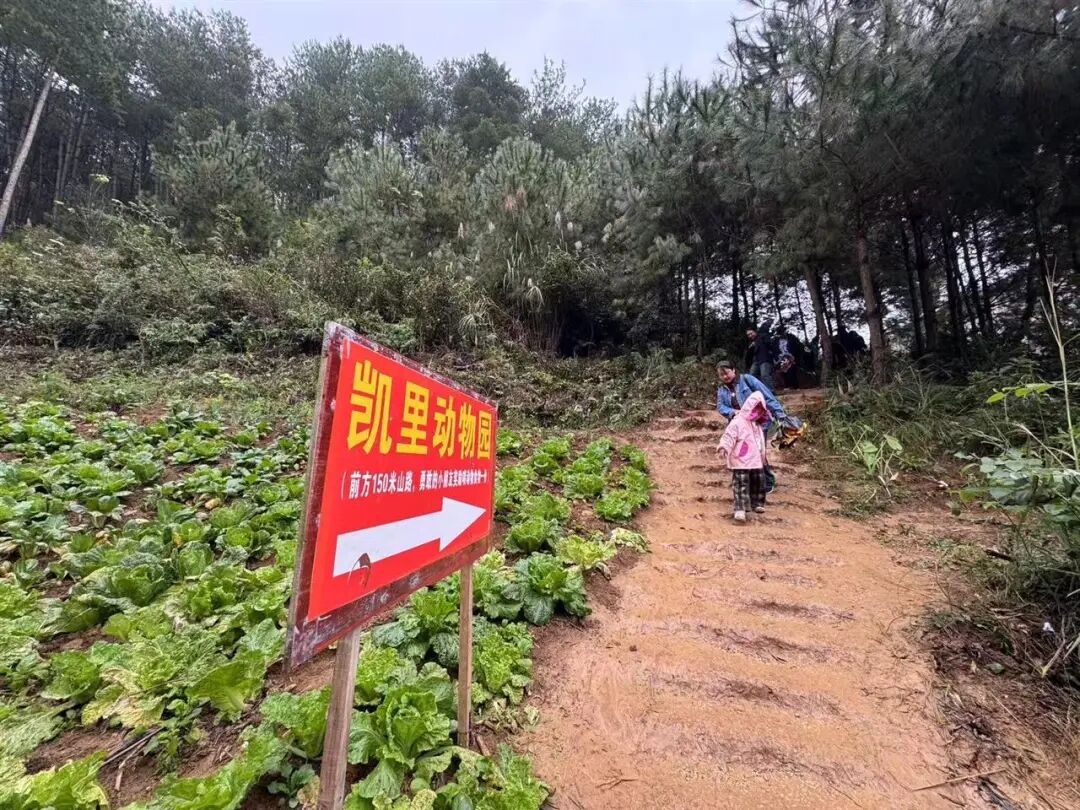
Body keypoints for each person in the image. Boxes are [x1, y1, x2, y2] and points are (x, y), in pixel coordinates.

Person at [715, 361, 789, 492]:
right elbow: (720, 407)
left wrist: (780, 414)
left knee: (758, 451)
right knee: (741, 453)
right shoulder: (722, 390)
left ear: (733, 370)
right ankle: (748, 482)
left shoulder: (747, 380)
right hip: (739, 426)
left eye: (726, 373)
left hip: (757, 423)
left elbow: (766, 395)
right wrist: (732, 412)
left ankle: (767, 482)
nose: (725, 377)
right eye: (721, 375)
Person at [716, 391, 770, 523]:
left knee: (759, 481)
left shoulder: (757, 423)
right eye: (756, 408)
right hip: (741, 459)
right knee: (741, 483)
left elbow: (760, 441)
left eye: (760, 409)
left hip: (756, 460)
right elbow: (729, 436)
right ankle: (740, 508)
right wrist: (724, 447)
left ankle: (757, 503)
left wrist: (763, 454)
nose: (758, 412)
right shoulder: (738, 422)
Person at [745, 322, 775, 390]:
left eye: (751, 333)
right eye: (748, 335)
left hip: (765, 358)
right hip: (756, 360)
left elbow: (770, 345)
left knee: (765, 375)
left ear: (755, 332)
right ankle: (758, 391)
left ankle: (771, 392)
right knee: (752, 375)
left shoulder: (763, 336)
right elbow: (748, 356)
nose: (750, 335)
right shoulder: (751, 343)